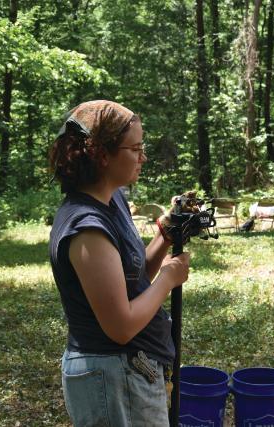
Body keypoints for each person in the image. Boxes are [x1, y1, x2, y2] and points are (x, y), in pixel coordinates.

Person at [48, 100, 190, 426]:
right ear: (102, 155)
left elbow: (131, 280)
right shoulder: (86, 227)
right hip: (111, 377)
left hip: (128, 373)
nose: (143, 157)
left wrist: (164, 236)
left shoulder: (113, 200)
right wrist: (168, 279)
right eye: (135, 148)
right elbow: (121, 326)